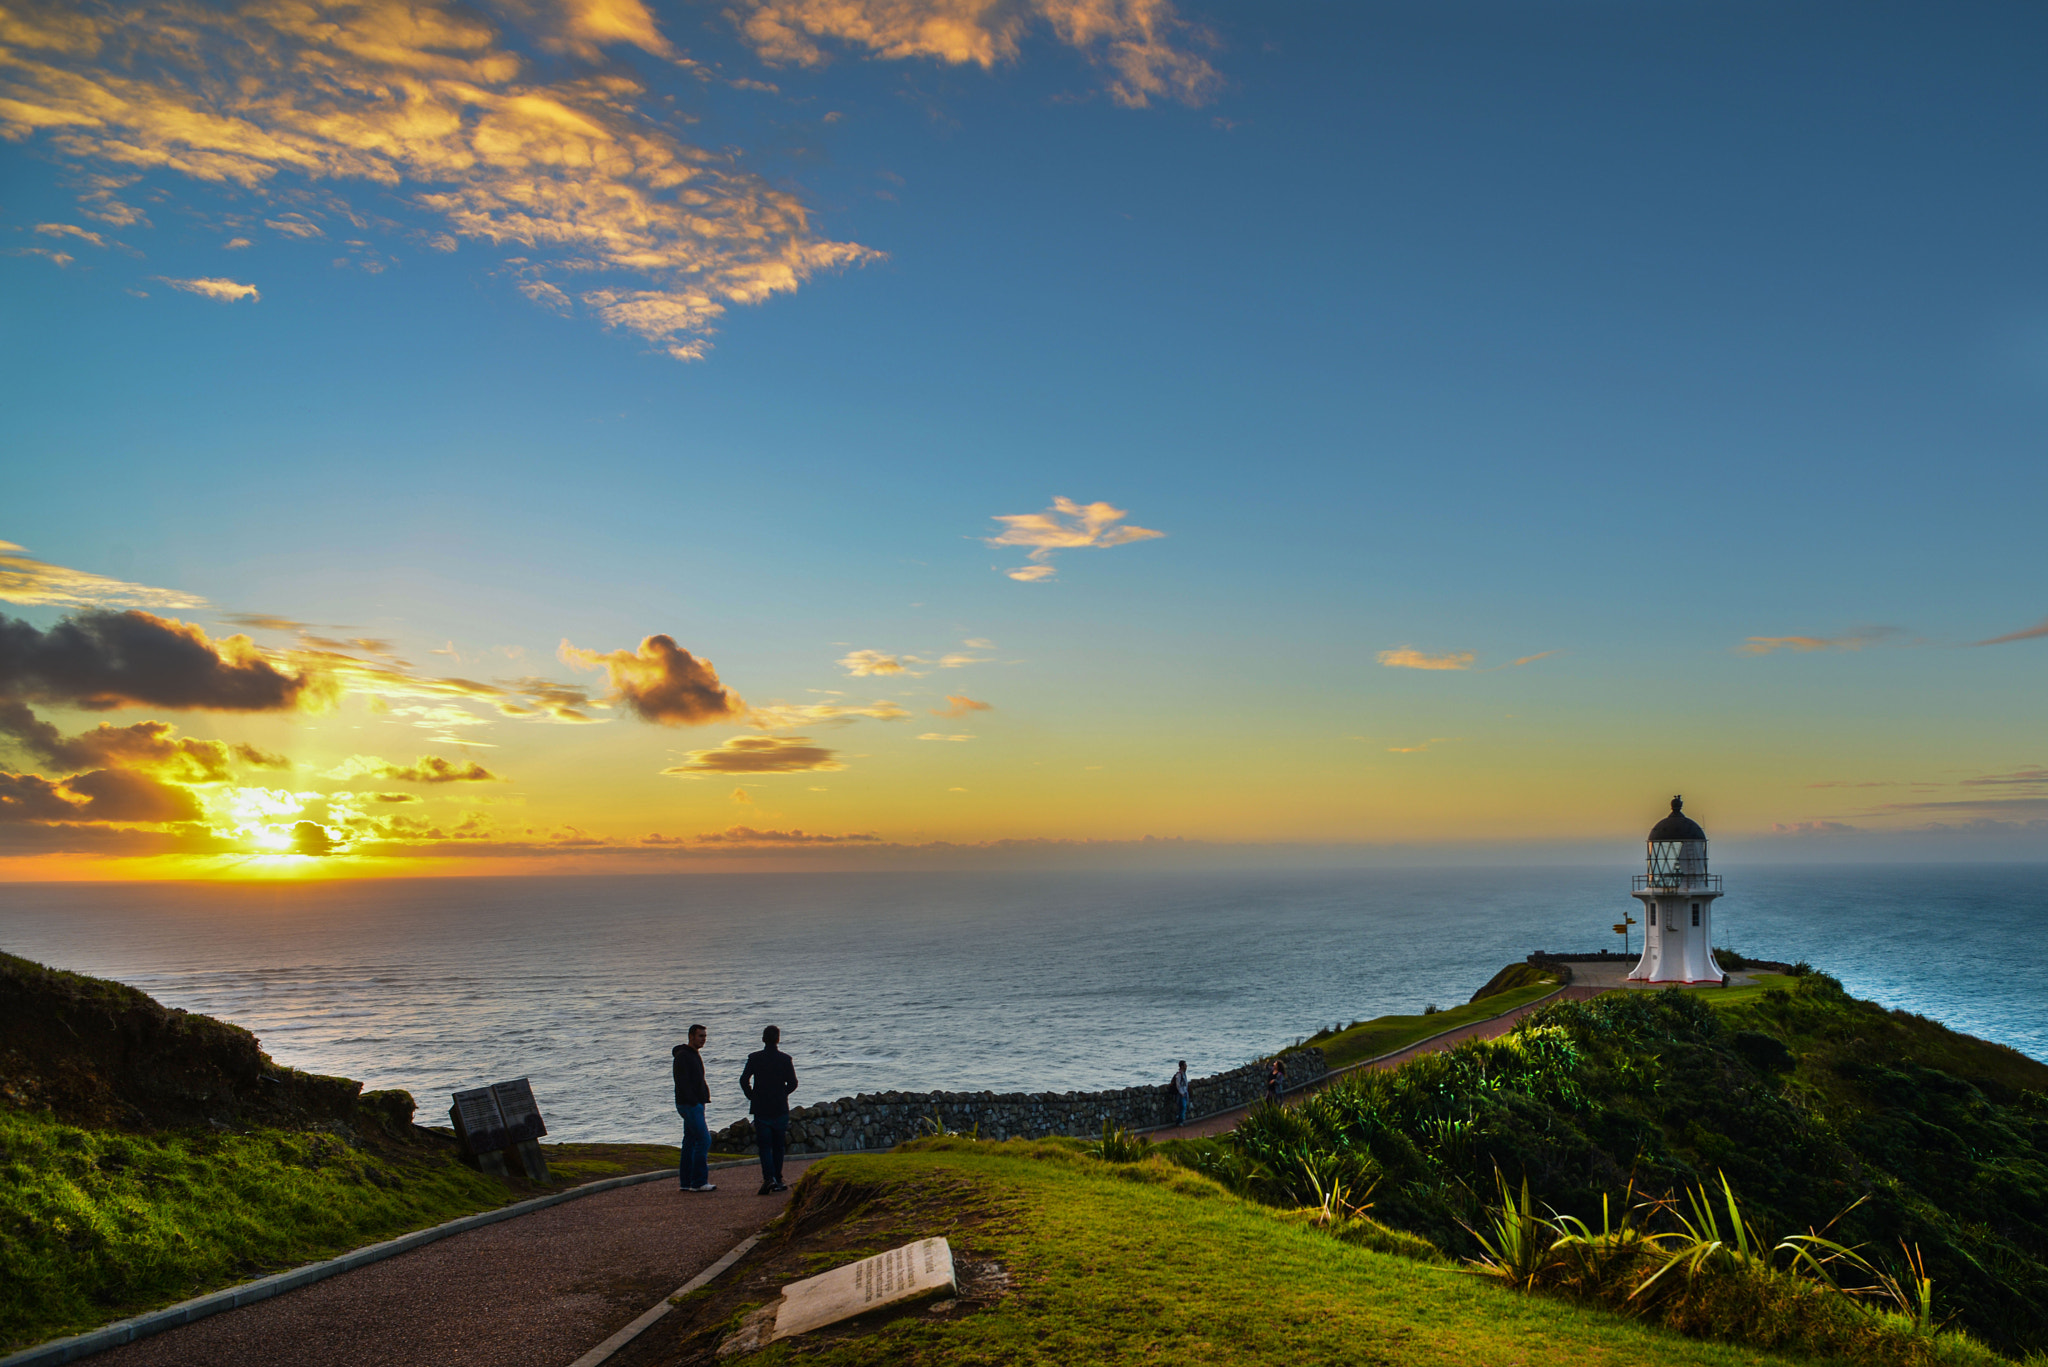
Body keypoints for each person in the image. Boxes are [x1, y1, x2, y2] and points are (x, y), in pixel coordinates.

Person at [740, 1024, 799, 1195]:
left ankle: (769, 1178)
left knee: (765, 1146)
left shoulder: (754, 1058)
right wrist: (782, 1093)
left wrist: (751, 1095)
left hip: (761, 1107)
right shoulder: (785, 1059)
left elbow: (744, 1080)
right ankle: (778, 1178)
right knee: (778, 1146)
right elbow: (793, 1083)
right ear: (778, 1039)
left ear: (763, 1039)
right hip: (779, 1107)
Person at [673, 1023, 713, 1192]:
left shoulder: (693, 1054)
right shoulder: (683, 1056)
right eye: (700, 1036)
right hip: (690, 1104)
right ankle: (698, 1181)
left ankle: (686, 1182)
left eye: (705, 1036)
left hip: (694, 1103)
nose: (703, 1040)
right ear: (691, 1036)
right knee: (704, 1139)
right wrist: (694, 1101)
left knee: (689, 1141)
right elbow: (682, 1082)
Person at [1172, 1060, 1190, 1126]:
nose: (1186, 1066)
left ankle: (1180, 1120)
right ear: (1182, 1066)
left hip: (1185, 1092)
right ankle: (1180, 1121)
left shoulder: (1184, 1074)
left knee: (1183, 1107)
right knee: (1183, 1107)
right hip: (1181, 1094)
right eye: (1185, 1065)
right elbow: (1178, 1085)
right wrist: (1181, 1092)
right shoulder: (1179, 1074)